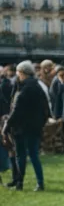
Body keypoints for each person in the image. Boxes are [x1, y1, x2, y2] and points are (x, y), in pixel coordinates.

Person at [4, 60, 49, 191]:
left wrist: (7, 126)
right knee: (33, 155)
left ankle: (20, 183)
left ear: (22, 73)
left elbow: (17, 109)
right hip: (34, 127)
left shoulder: (24, 88)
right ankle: (39, 182)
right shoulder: (37, 86)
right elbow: (45, 109)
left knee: (21, 155)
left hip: (21, 127)